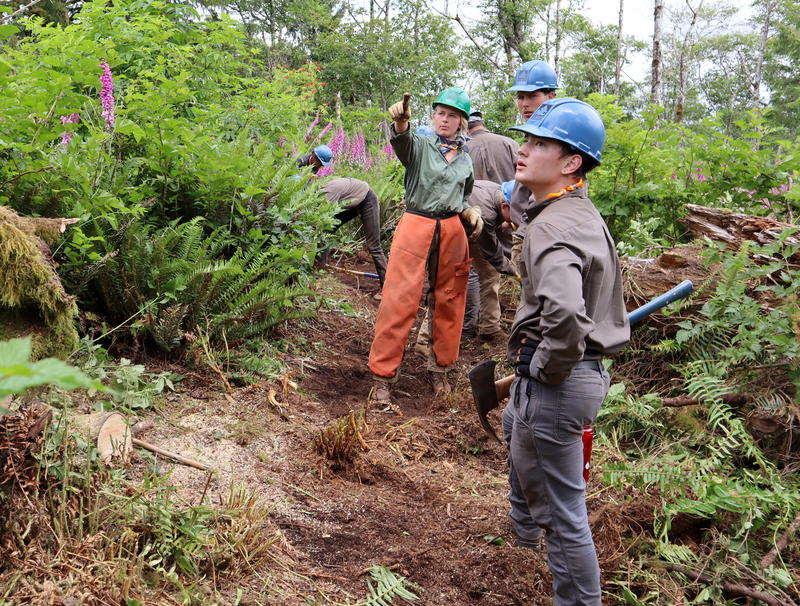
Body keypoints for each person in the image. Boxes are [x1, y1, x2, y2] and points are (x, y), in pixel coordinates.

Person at [503, 98, 630, 606]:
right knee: (518, 434)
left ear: (571, 161)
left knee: (564, 517)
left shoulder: (554, 226)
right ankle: (520, 535)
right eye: (526, 138)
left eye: (538, 143)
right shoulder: (575, 210)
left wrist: (545, 369)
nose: (523, 149)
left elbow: (567, 315)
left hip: (561, 381)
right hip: (581, 376)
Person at [367, 88, 482, 405]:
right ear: (433, 116)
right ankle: (382, 377)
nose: (446, 120)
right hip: (416, 225)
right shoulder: (419, 145)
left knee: (449, 300)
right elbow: (402, 145)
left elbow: (464, 195)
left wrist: (468, 210)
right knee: (399, 299)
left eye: (453, 115)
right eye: (441, 113)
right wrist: (402, 124)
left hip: (451, 230)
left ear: (461, 122)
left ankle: (440, 369)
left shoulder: (465, 159)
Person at [415, 179, 515, 349]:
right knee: (449, 286)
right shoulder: (487, 213)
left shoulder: (496, 191)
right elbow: (493, 252)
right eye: (516, 216)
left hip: (469, 230)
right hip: (445, 229)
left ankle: (489, 327)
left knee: (490, 273)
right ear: (505, 206)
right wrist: (513, 271)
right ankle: (425, 341)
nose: (516, 223)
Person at [507, 60, 558, 271]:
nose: (524, 103)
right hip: (525, 232)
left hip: (542, 237)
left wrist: (525, 234)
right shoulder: (531, 134)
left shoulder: (559, 137)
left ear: (551, 96)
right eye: (520, 97)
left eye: (532, 95)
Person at [316, 177, 388, 287]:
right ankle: (319, 272)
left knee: (374, 246)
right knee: (326, 231)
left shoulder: (327, 193)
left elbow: (320, 220)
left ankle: (387, 289)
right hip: (353, 202)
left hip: (366, 198)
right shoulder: (318, 192)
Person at [466, 110, 519, 184]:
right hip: (510, 195)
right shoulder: (510, 143)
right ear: (482, 123)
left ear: (464, 127)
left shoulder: (462, 150)